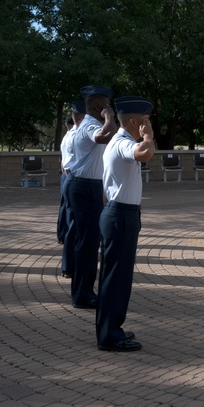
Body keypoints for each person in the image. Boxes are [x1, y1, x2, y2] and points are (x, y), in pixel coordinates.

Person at [96, 96, 155, 352]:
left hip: (118, 213)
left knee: (115, 277)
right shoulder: (122, 143)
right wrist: (148, 138)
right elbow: (144, 154)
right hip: (121, 215)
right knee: (116, 279)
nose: (148, 125)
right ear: (134, 122)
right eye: (145, 121)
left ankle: (111, 329)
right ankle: (110, 335)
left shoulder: (118, 141)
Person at [68, 85, 116, 310]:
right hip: (85, 187)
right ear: (99, 107)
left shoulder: (90, 123)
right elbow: (103, 137)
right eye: (107, 105)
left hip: (87, 187)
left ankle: (82, 291)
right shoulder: (90, 125)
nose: (110, 108)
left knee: (86, 242)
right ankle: (83, 294)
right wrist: (110, 118)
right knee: (88, 244)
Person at [58, 102, 85, 279]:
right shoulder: (77, 134)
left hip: (69, 176)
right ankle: (70, 265)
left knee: (71, 223)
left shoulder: (70, 134)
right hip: (75, 178)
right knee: (75, 225)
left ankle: (70, 264)